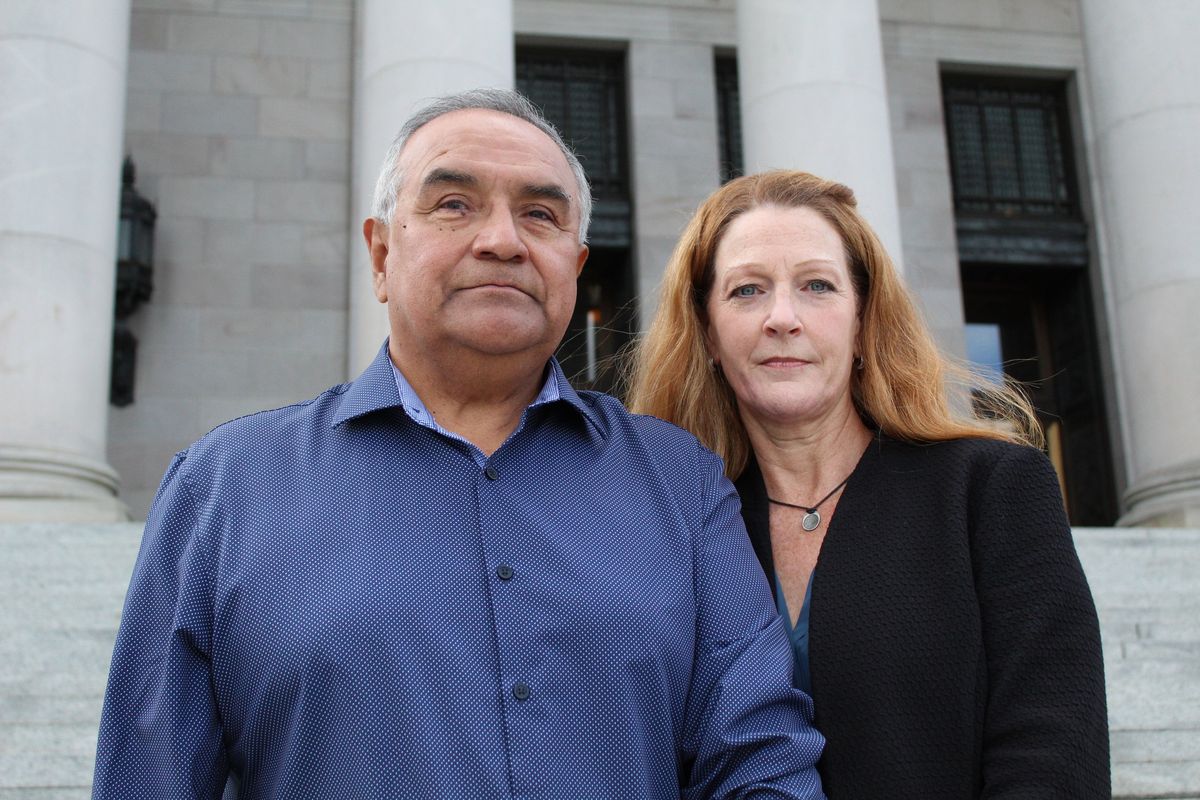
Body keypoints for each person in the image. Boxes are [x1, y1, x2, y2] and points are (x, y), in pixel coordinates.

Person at [91, 91, 826, 799]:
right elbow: (148, 776)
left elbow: (761, 760)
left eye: (540, 214)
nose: (502, 240)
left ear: (574, 266)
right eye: (453, 205)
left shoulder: (681, 482)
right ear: (380, 255)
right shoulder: (221, 490)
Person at [628, 170, 1110, 797]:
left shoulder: (988, 491)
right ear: (709, 333)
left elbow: (1053, 750)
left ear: (862, 322)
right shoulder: (672, 522)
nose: (782, 318)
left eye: (817, 286)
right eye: (747, 290)